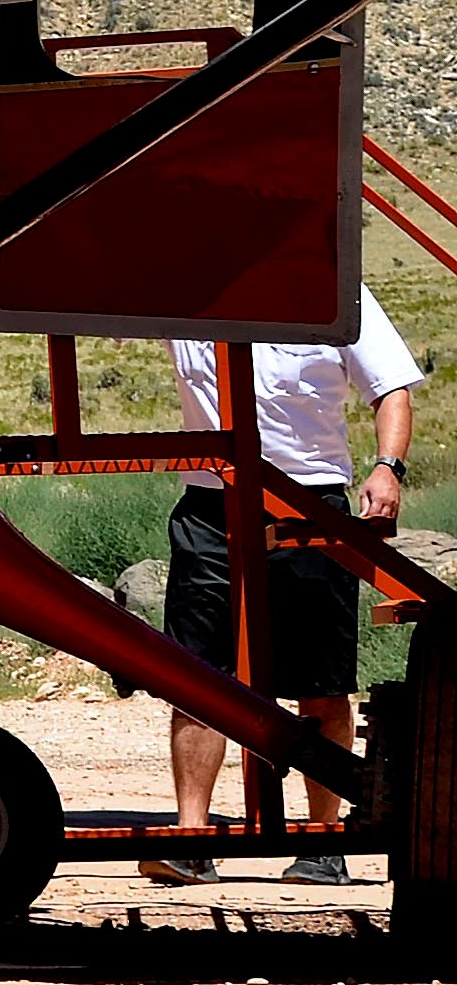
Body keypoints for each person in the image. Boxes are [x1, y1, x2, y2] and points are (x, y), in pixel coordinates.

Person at [152, 290, 417, 884]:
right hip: (210, 500)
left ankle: (323, 845)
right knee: (197, 679)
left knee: (320, 682)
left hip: (309, 501)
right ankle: (192, 841)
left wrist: (387, 467)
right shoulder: (184, 282)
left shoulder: (331, 285)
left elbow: (391, 385)